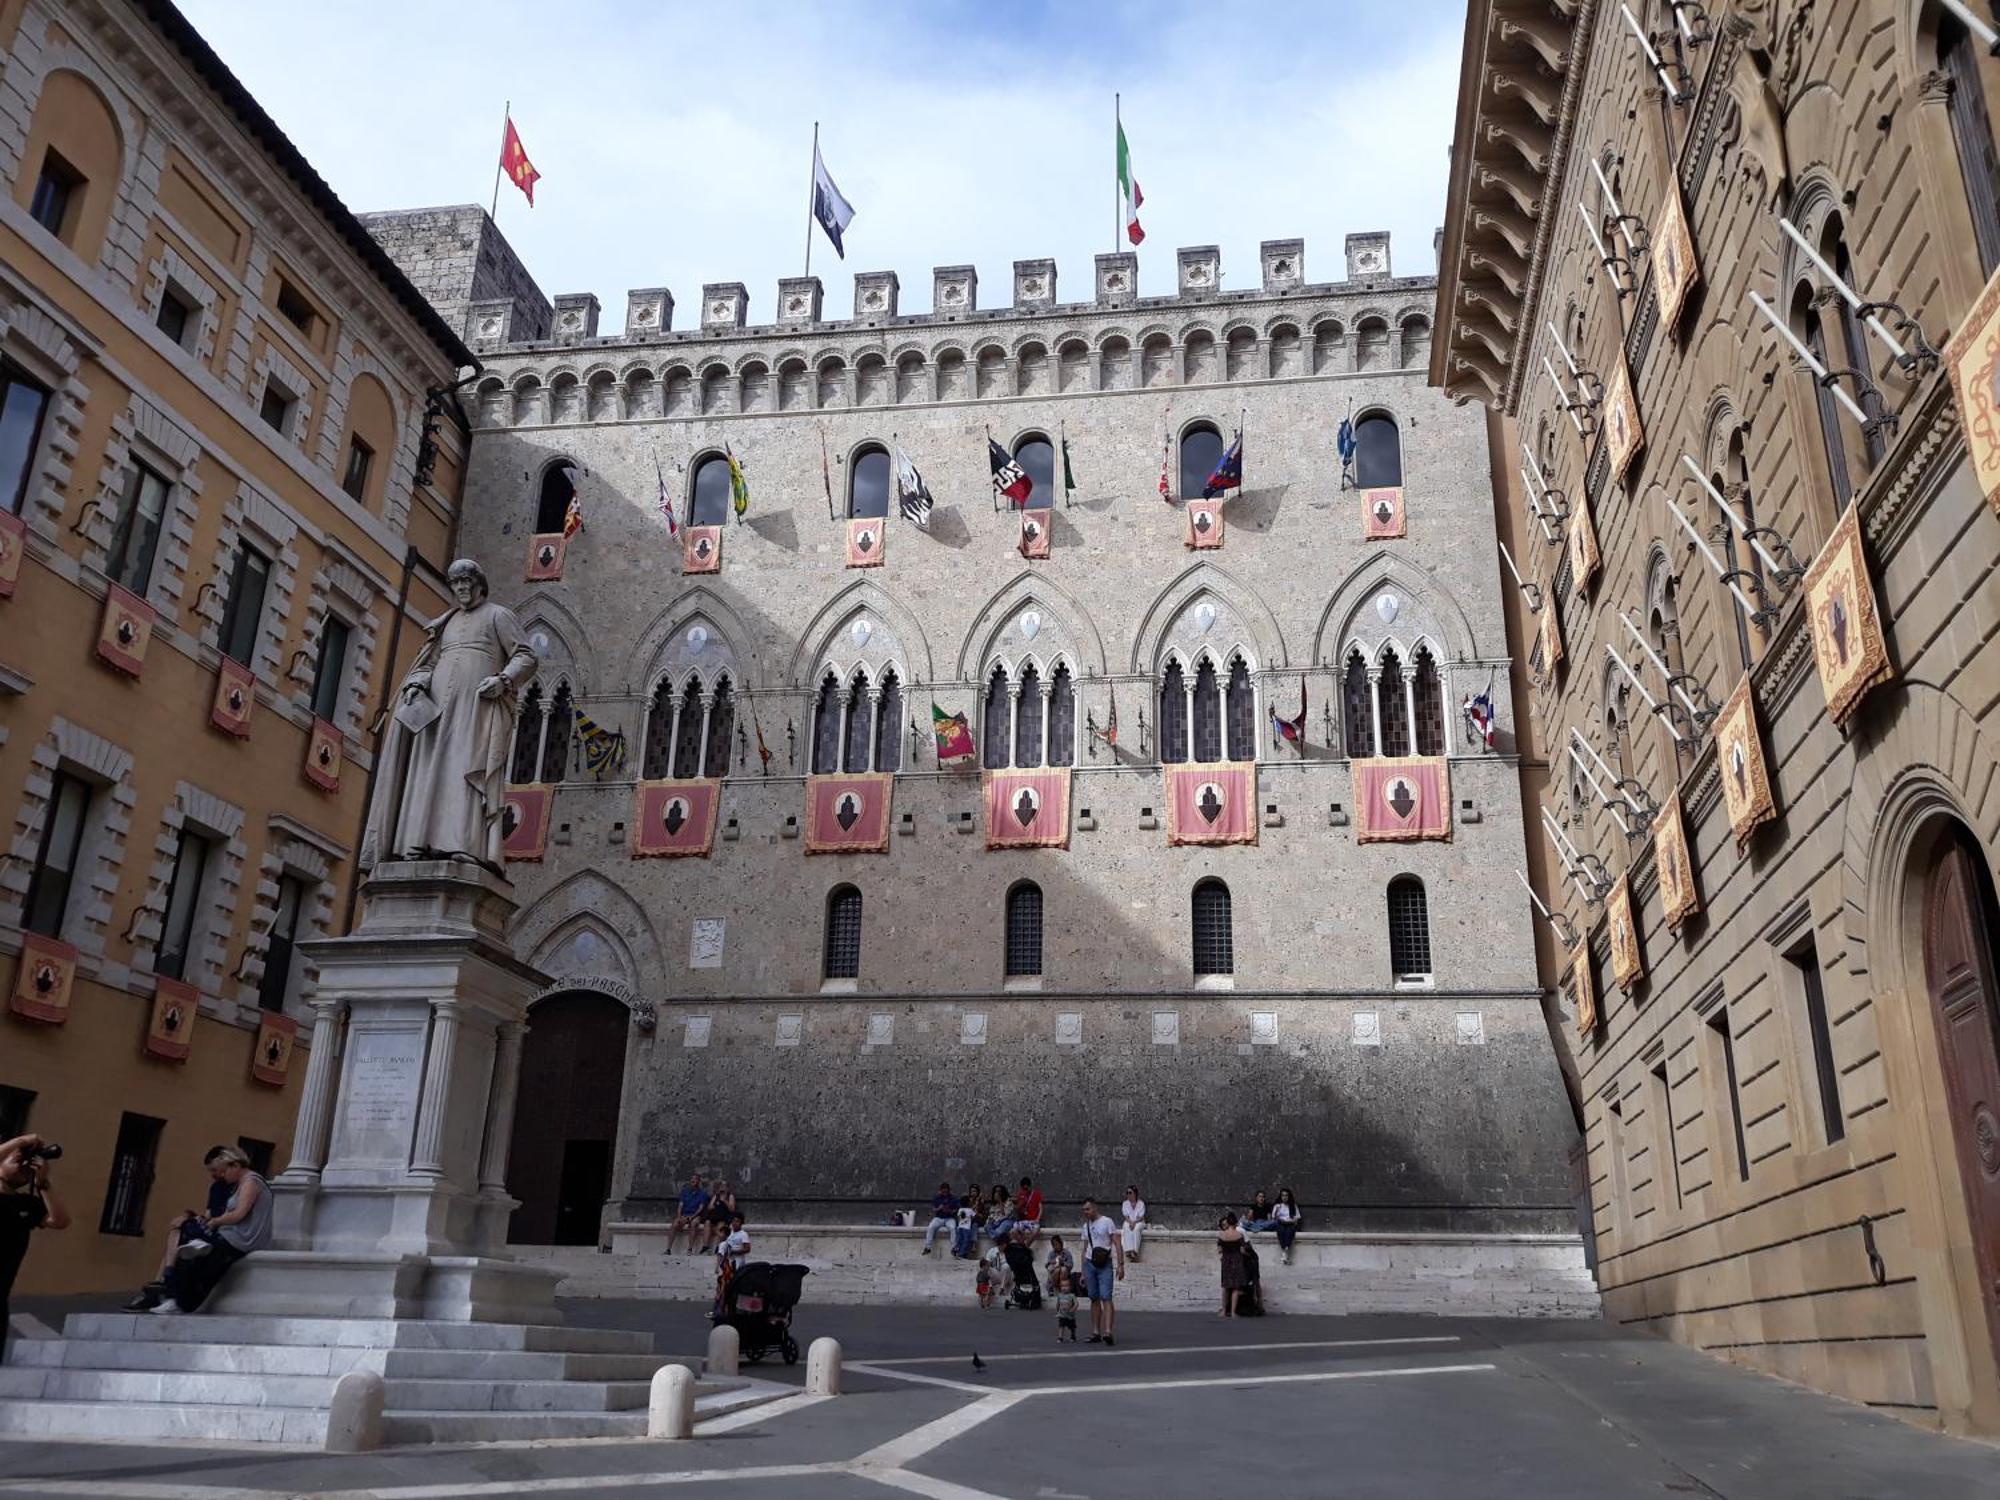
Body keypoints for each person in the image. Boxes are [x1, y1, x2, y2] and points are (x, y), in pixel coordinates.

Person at [361, 558, 538, 871]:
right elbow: (426, 664)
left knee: (465, 771)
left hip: (474, 710)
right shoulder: (445, 622)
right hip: (436, 712)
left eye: (467, 583)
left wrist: (504, 680)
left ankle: (461, 845)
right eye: (457, 584)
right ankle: (414, 843)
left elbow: (525, 655)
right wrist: (416, 685)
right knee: (428, 771)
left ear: (479, 584)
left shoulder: (498, 616)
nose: (462, 589)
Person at [152, 1147, 269, 1315]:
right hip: (234, 1235)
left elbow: (239, 1214)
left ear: (235, 1165)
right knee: (186, 1240)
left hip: (242, 1239)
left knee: (188, 1239)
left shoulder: (251, 1182)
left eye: (222, 1171)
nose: (221, 1176)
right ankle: (175, 1295)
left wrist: (216, 1222)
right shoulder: (241, 1183)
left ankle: (174, 1294)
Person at [127, 1146, 231, 1310]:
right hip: (210, 1226)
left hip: (221, 1232)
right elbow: (208, 1214)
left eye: (215, 1170)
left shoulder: (236, 1187)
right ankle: (162, 1280)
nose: (213, 1175)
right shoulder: (216, 1188)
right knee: (177, 1229)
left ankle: (164, 1281)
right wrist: (190, 1216)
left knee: (178, 1238)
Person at [0, 1134, 69, 1364]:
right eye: (16, 1162)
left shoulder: (26, 1204)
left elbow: (60, 1221)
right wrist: (20, 1143)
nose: (23, 1168)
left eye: (27, 1166)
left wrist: (42, 1183)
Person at [1077, 1197, 1125, 1346]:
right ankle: (1096, 1332)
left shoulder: (1107, 1222)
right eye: (1084, 1210)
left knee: (1106, 1297)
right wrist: (1083, 1271)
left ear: (1095, 1208)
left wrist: (1121, 1264)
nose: (1086, 1212)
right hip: (1090, 1263)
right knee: (1093, 1298)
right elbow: (1085, 1249)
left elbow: (1117, 1242)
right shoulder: (1086, 1227)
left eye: (1088, 1209)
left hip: (1105, 1263)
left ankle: (1108, 1332)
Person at [713, 1213, 750, 1314]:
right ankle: (719, 1307)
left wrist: (735, 1251)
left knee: (729, 1286)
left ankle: (727, 1308)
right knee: (721, 1284)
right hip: (727, 1264)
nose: (735, 1223)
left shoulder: (743, 1234)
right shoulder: (730, 1232)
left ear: (741, 1223)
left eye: (737, 1221)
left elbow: (747, 1249)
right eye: (733, 1221)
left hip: (737, 1264)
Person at [667, 1173, 710, 1256]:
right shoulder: (685, 1192)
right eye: (692, 1179)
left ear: (699, 1181)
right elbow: (680, 1205)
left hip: (696, 1215)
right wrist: (679, 1217)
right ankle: (668, 1248)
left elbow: (700, 1208)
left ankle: (690, 1248)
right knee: (674, 1224)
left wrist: (692, 1217)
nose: (693, 1180)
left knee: (694, 1223)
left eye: (695, 1179)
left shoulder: (702, 1193)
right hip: (684, 1214)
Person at [1217, 1211, 1249, 1317]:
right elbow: (1243, 1250)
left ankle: (1223, 1311)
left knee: (1225, 1287)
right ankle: (1233, 1312)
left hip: (1226, 1261)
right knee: (1235, 1288)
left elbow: (1219, 1250)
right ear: (1235, 1223)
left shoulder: (1222, 1235)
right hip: (1237, 1261)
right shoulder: (1239, 1235)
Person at [921, 1181, 959, 1255]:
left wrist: (949, 1210)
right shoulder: (937, 1198)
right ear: (941, 1190)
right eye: (943, 1191)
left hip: (949, 1218)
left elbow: (956, 1210)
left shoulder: (953, 1198)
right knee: (931, 1227)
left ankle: (954, 1248)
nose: (945, 1192)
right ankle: (928, 1247)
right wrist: (939, 1208)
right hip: (939, 1217)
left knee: (953, 1228)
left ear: (949, 1190)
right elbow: (933, 1209)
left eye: (946, 1191)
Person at [702, 1180, 739, 1253]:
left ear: (727, 1188)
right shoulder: (716, 1196)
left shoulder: (730, 1196)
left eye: (724, 1186)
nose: (722, 1187)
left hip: (724, 1216)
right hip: (714, 1216)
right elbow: (709, 1207)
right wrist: (712, 1206)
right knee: (707, 1223)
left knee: (720, 1225)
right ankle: (705, 1246)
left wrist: (724, 1201)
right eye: (721, 1186)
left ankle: (718, 1247)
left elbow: (732, 1209)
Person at [1272, 1186, 1303, 1264]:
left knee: (1290, 1231)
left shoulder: (1293, 1206)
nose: (1284, 1197)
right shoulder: (1277, 1206)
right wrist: (1277, 1212)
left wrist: (1293, 1220)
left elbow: (1297, 1218)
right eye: (1283, 1195)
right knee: (1281, 1230)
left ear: (1289, 1196)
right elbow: (1274, 1218)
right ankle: (1285, 1250)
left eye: (1286, 1195)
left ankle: (1285, 1251)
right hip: (1280, 1223)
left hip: (1290, 1223)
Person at [951, 1187, 984, 1258]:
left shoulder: (960, 1209)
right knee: (966, 1241)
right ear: (969, 1203)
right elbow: (974, 1216)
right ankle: (961, 1254)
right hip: (967, 1228)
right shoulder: (970, 1210)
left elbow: (958, 1217)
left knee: (959, 1240)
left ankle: (956, 1249)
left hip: (960, 1227)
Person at [1120, 1184, 1148, 1262]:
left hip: (1139, 1222)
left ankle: (1135, 1251)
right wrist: (1130, 1222)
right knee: (1126, 1226)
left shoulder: (1141, 1203)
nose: (1128, 1195)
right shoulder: (1125, 1203)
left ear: (1135, 1193)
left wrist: (1134, 1222)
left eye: (1130, 1193)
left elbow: (1141, 1217)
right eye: (1127, 1193)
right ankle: (1128, 1250)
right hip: (1129, 1221)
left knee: (1136, 1229)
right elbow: (1126, 1216)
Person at [1012, 1176, 1044, 1243]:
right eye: (1023, 1189)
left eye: (1026, 1188)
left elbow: (1040, 1208)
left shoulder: (1036, 1194)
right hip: (1024, 1220)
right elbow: (1017, 1208)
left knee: (1036, 1230)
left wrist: (1037, 1219)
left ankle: (1027, 1244)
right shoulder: (1021, 1194)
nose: (1025, 1190)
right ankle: (1022, 1244)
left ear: (1030, 1186)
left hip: (1033, 1220)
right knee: (1014, 1230)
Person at [1051, 1267, 1078, 1343]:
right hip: (1062, 1314)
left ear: (1070, 1287)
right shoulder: (1060, 1295)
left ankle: (1073, 1335)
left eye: (1066, 1286)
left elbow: (1076, 1303)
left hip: (1070, 1315)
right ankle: (1060, 1337)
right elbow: (1058, 1304)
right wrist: (1057, 1311)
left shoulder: (1072, 1295)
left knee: (1072, 1327)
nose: (1064, 1288)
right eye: (1063, 1286)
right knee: (1061, 1325)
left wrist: (1073, 1308)